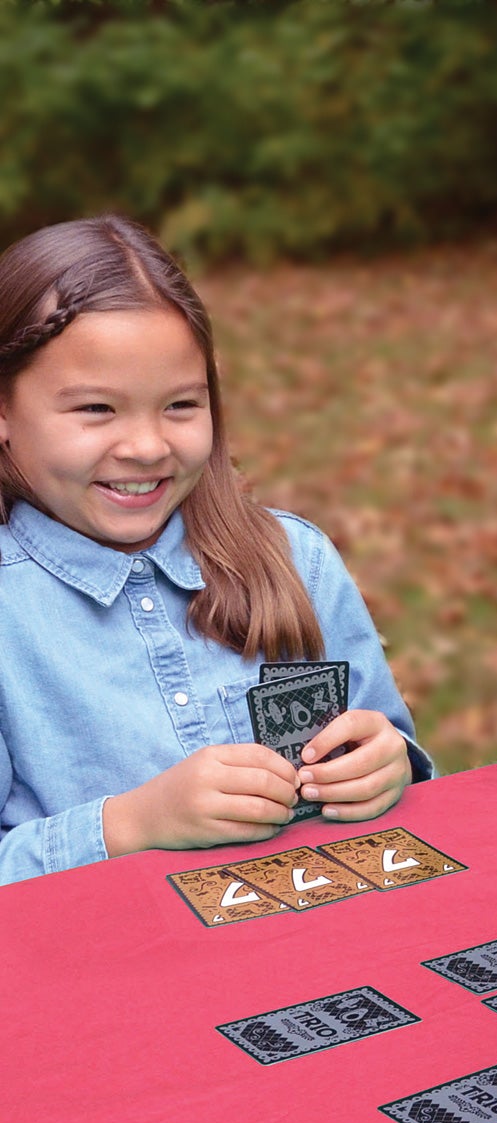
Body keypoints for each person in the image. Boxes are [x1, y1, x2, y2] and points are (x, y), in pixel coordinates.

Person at [0, 217, 432, 884]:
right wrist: (129, 825)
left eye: (179, 405)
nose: (146, 446)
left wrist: (388, 764)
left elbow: (394, 753)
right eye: (95, 410)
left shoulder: (296, 559)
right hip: (102, 976)